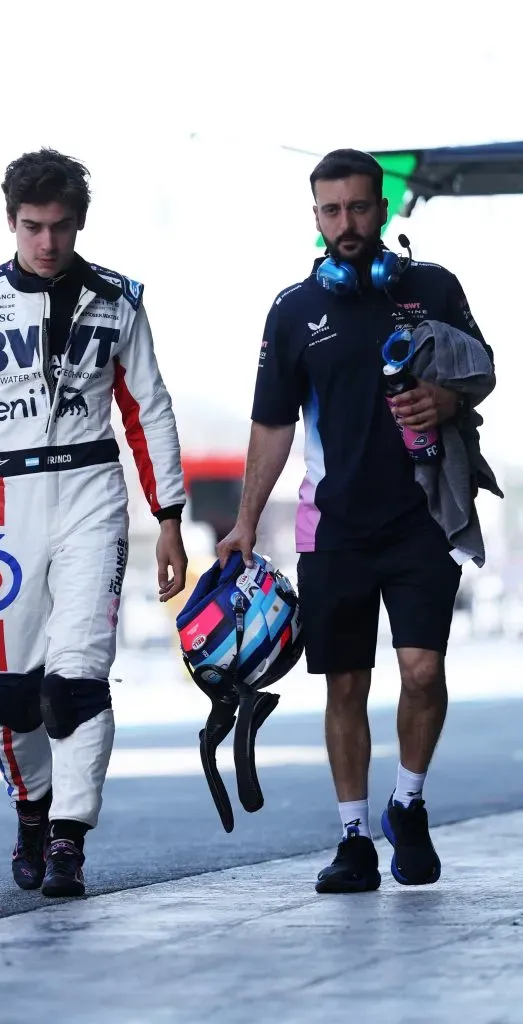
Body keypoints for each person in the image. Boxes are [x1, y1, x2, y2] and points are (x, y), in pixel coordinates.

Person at [217, 149, 494, 894]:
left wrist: (448, 401)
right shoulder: (293, 310)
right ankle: (352, 839)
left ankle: (407, 804)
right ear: (315, 218)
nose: (346, 222)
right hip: (332, 526)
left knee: (422, 669)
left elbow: (482, 370)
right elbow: (271, 425)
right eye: (331, 210)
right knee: (344, 683)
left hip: (420, 518)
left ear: (380, 208)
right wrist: (244, 522)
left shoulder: (432, 287)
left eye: (359, 207)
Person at [0, 148, 188, 898]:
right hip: (6, 501)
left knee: (75, 681)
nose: (47, 243)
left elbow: (150, 411)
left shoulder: (119, 300)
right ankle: (33, 808)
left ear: (81, 223)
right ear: (11, 222)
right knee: (8, 696)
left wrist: (168, 516)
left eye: (61, 228)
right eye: (33, 227)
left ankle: (69, 837)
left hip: (91, 494)